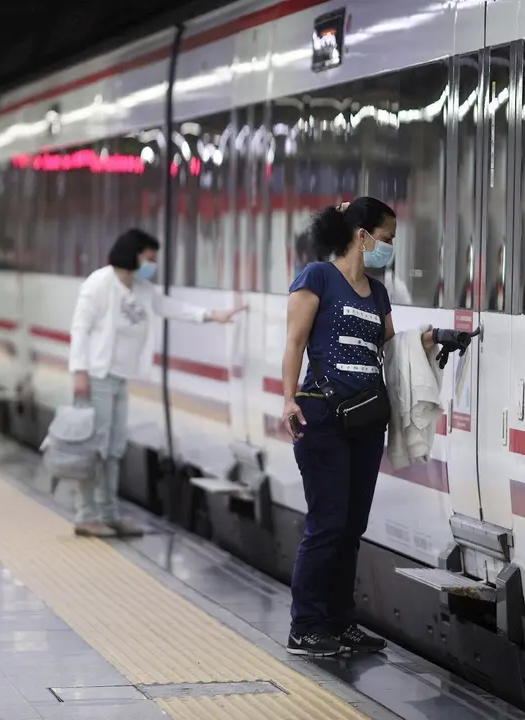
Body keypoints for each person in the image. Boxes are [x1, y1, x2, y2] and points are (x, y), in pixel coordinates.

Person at [281, 197, 433, 657]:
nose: (389, 247)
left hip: (367, 421)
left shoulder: (378, 292)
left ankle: (340, 621)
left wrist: (429, 342)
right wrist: (288, 397)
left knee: (351, 526)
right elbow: (295, 341)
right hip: (322, 416)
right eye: (386, 239)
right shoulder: (318, 277)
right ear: (361, 235)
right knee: (326, 524)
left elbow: (391, 350)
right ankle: (305, 626)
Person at [68, 228, 245, 538]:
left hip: (121, 378)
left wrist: (213, 315)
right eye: (149, 256)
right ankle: (86, 516)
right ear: (134, 253)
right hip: (96, 377)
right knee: (93, 449)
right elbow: (80, 329)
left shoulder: (141, 289)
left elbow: (172, 308)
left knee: (113, 448)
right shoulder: (99, 284)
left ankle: (108, 514)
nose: (152, 263)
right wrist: (79, 371)